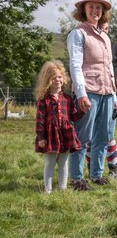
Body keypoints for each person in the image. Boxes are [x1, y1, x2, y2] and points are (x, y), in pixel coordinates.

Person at [67, 0, 117, 190]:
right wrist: (81, 93)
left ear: (103, 11)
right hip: (88, 91)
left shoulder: (105, 37)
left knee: (103, 136)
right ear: (84, 10)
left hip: (106, 92)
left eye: (99, 7)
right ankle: (77, 178)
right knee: (83, 135)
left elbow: (109, 67)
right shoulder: (78, 33)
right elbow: (75, 65)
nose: (95, 10)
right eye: (91, 7)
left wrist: (113, 95)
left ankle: (97, 174)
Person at [85, 21, 117, 177]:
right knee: (90, 136)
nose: (104, 30)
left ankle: (113, 170)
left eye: (106, 28)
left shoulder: (114, 46)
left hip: (112, 95)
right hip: (91, 93)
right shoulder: (87, 42)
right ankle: (92, 170)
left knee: (107, 135)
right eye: (101, 27)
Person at [34, 60, 84, 193]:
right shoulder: (43, 100)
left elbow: (73, 116)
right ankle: (48, 190)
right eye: (54, 77)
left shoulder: (67, 98)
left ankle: (63, 189)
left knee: (63, 162)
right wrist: (41, 137)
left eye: (60, 77)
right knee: (50, 163)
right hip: (50, 136)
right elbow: (40, 121)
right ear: (47, 80)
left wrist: (83, 111)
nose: (58, 80)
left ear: (64, 78)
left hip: (66, 134)